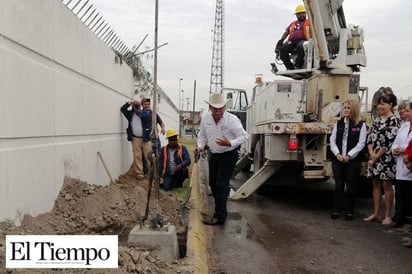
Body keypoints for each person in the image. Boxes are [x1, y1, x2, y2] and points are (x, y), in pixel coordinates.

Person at [195, 93, 248, 225]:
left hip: (228, 155)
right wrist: (200, 147)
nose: (218, 112)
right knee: (213, 183)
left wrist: (230, 143)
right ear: (210, 107)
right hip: (214, 155)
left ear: (225, 107)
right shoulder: (206, 119)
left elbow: (244, 136)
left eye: (221, 108)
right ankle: (220, 204)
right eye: (215, 108)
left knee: (221, 184)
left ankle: (220, 216)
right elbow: (202, 136)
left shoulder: (232, 120)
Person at [364, 91, 400, 226]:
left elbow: (388, 143)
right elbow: (369, 138)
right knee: (375, 184)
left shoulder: (395, 121)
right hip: (374, 158)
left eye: (383, 104)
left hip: (387, 159)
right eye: (379, 104)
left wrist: (375, 157)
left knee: (387, 185)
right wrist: (371, 153)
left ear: (390, 105)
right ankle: (376, 213)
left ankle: (388, 215)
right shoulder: (377, 120)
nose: (380, 107)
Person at [330, 100, 367, 221]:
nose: (346, 110)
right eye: (345, 107)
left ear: (354, 109)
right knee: (338, 185)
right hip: (338, 159)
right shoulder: (339, 123)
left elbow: (361, 144)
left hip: (353, 160)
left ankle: (349, 211)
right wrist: (338, 154)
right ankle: (336, 209)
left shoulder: (361, 125)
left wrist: (349, 155)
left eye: (348, 108)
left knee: (351, 186)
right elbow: (332, 140)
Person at [391, 101, 412, 229]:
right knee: (400, 194)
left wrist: (405, 150)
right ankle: (399, 219)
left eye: (408, 111)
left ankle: (408, 221)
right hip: (400, 165)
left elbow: (409, 146)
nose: (404, 113)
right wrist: (395, 149)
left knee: (409, 196)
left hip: (409, 164)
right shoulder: (404, 126)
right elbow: (395, 142)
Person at [273, 4, 311, 71]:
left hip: (304, 40)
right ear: (296, 15)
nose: (301, 15)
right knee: (282, 49)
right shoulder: (293, 23)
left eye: (303, 13)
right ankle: (289, 67)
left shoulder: (309, 22)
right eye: (299, 13)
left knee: (300, 46)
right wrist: (281, 40)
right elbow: (287, 32)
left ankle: (298, 65)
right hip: (292, 41)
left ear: (305, 13)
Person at [120, 100, 146, 180]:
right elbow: (123, 109)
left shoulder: (143, 113)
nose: (136, 107)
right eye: (135, 106)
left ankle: (151, 172)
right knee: (137, 156)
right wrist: (130, 103)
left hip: (145, 138)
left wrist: (139, 109)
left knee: (148, 155)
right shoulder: (130, 114)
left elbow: (147, 117)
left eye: (137, 106)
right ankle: (139, 173)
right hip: (135, 138)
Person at [140, 97, 166, 175]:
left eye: (148, 104)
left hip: (155, 137)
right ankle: (146, 171)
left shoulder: (154, 114)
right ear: (142, 105)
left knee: (158, 152)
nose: (147, 106)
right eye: (145, 104)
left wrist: (163, 128)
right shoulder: (141, 114)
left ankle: (158, 170)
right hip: (145, 138)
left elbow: (161, 122)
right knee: (146, 155)